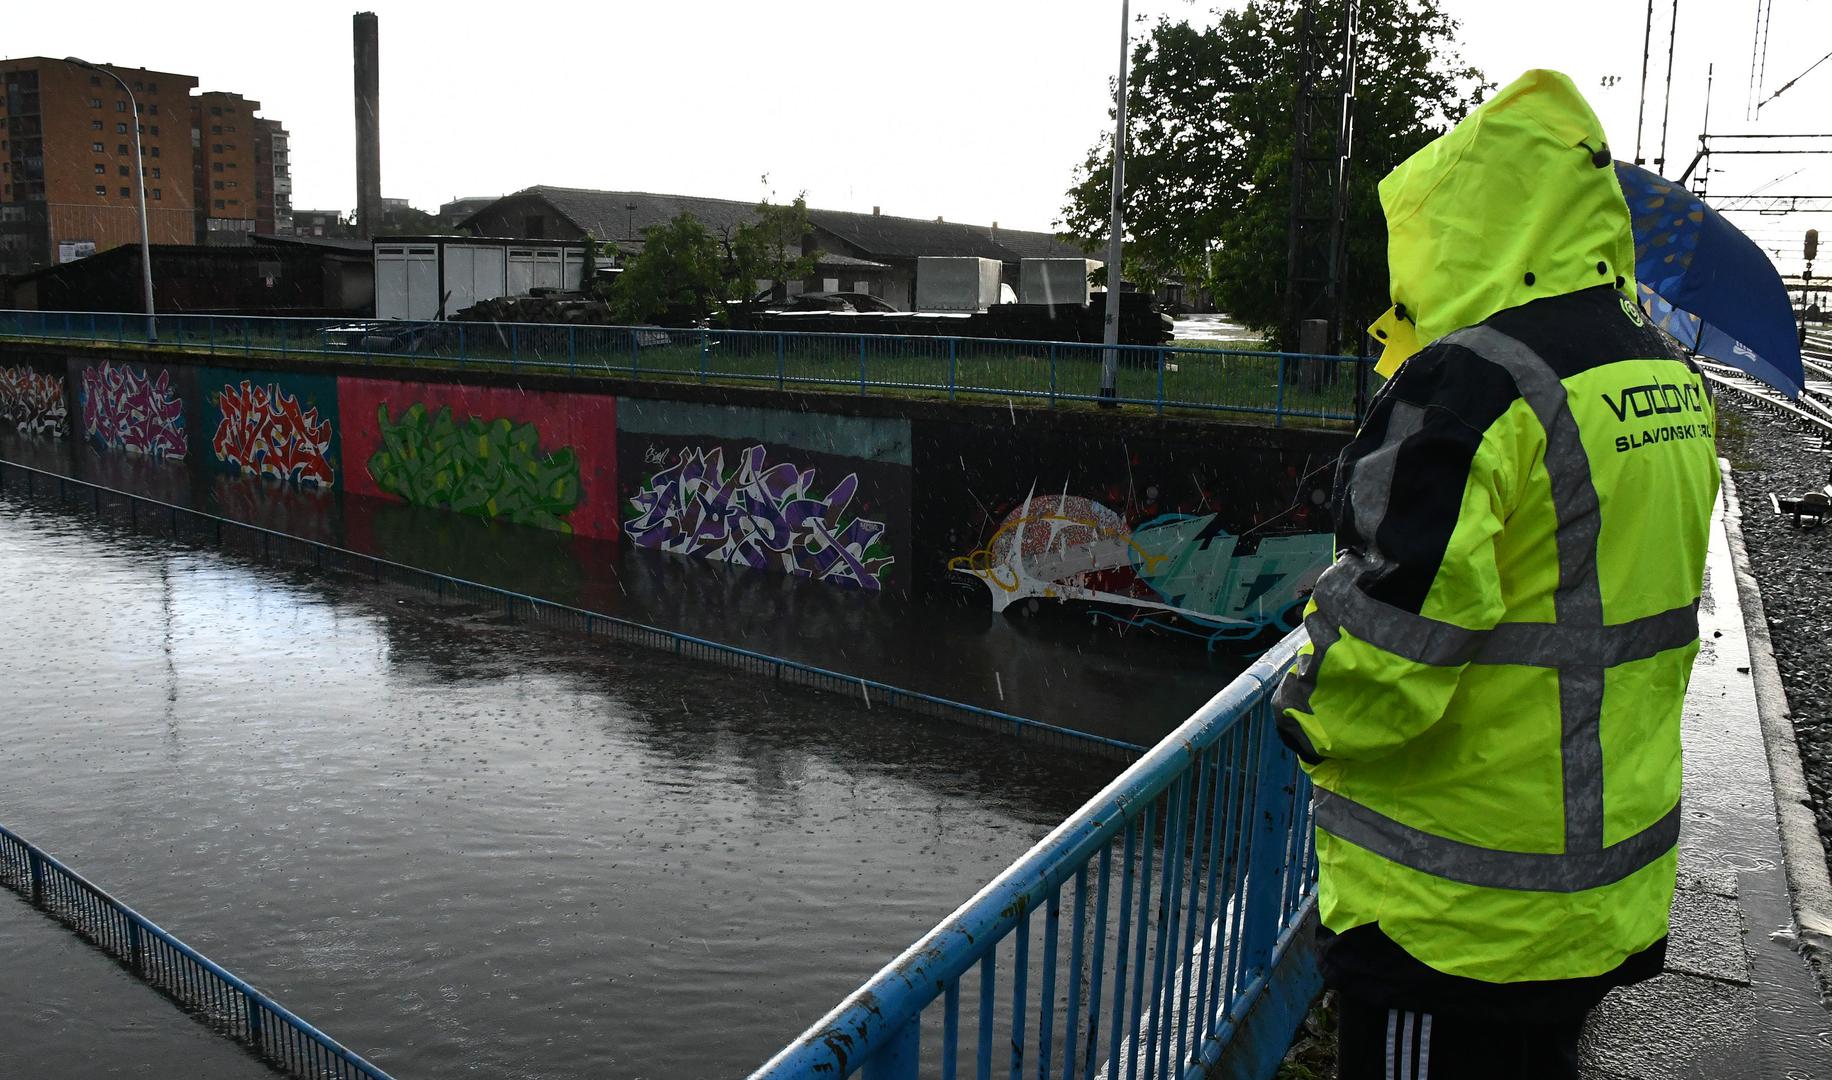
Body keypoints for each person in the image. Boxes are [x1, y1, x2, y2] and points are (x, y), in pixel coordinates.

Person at [1273, 69, 1720, 1079]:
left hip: (1452, 911)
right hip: (1595, 883)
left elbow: (1391, 645)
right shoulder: (1664, 375)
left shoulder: (1475, 380)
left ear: (1470, 219)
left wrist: (1305, 710)